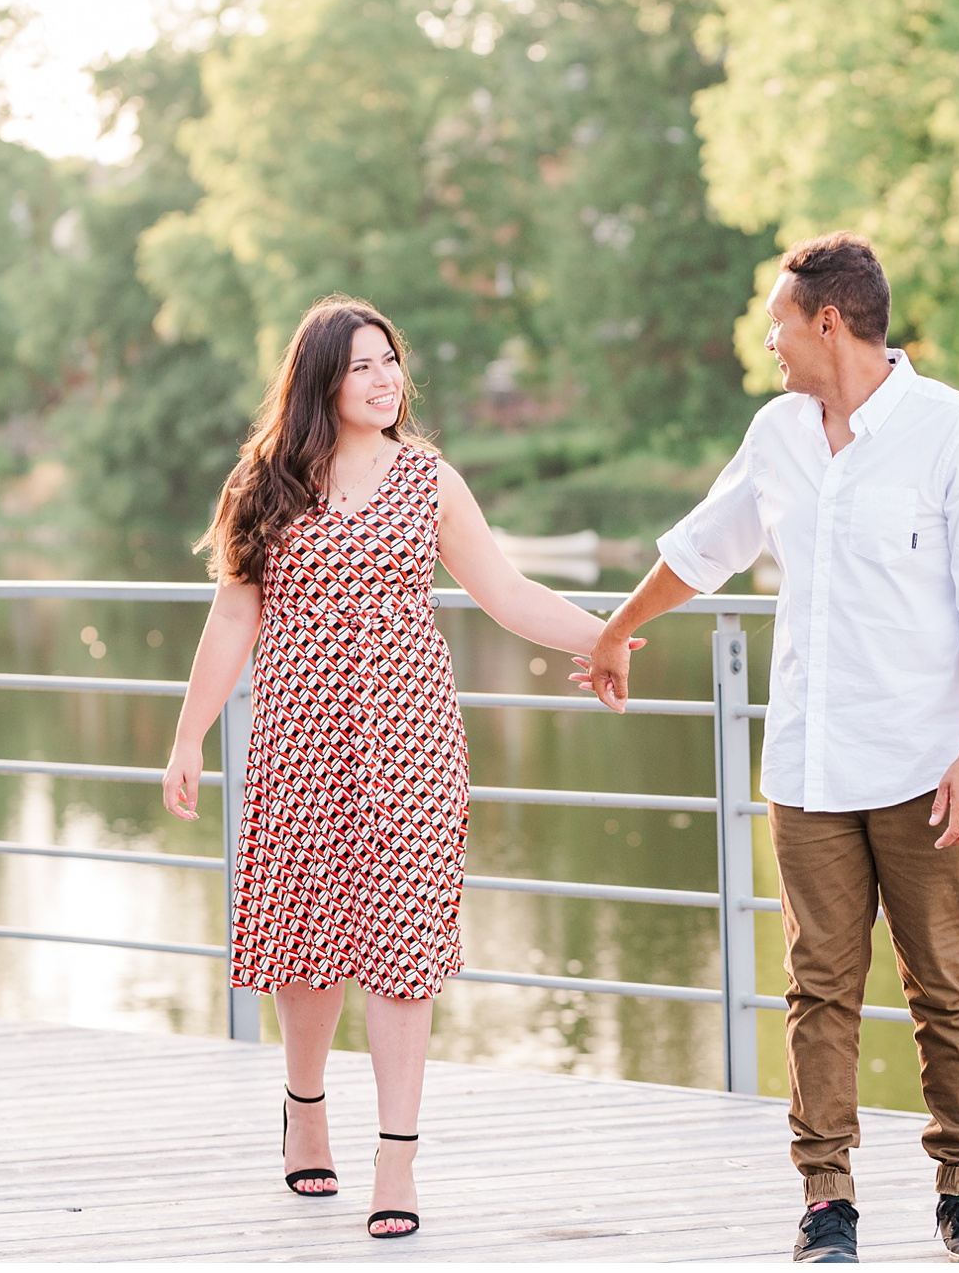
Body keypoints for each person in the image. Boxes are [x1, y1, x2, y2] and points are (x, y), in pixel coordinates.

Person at [579, 234, 959, 1264]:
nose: (768, 342)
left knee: (943, 984)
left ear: (829, 321)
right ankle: (826, 1198)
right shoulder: (778, 433)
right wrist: (615, 627)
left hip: (927, 768)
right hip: (810, 770)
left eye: (778, 321)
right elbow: (705, 544)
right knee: (817, 987)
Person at [163, 296, 631, 1240]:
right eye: (362, 365)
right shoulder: (266, 483)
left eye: (392, 362)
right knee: (303, 936)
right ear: (320, 380)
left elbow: (501, 590)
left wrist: (607, 636)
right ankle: (304, 1107)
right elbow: (230, 618)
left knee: (404, 948)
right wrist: (188, 735)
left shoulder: (430, 480)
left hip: (412, 744)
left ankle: (399, 1156)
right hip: (299, 740)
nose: (385, 380)